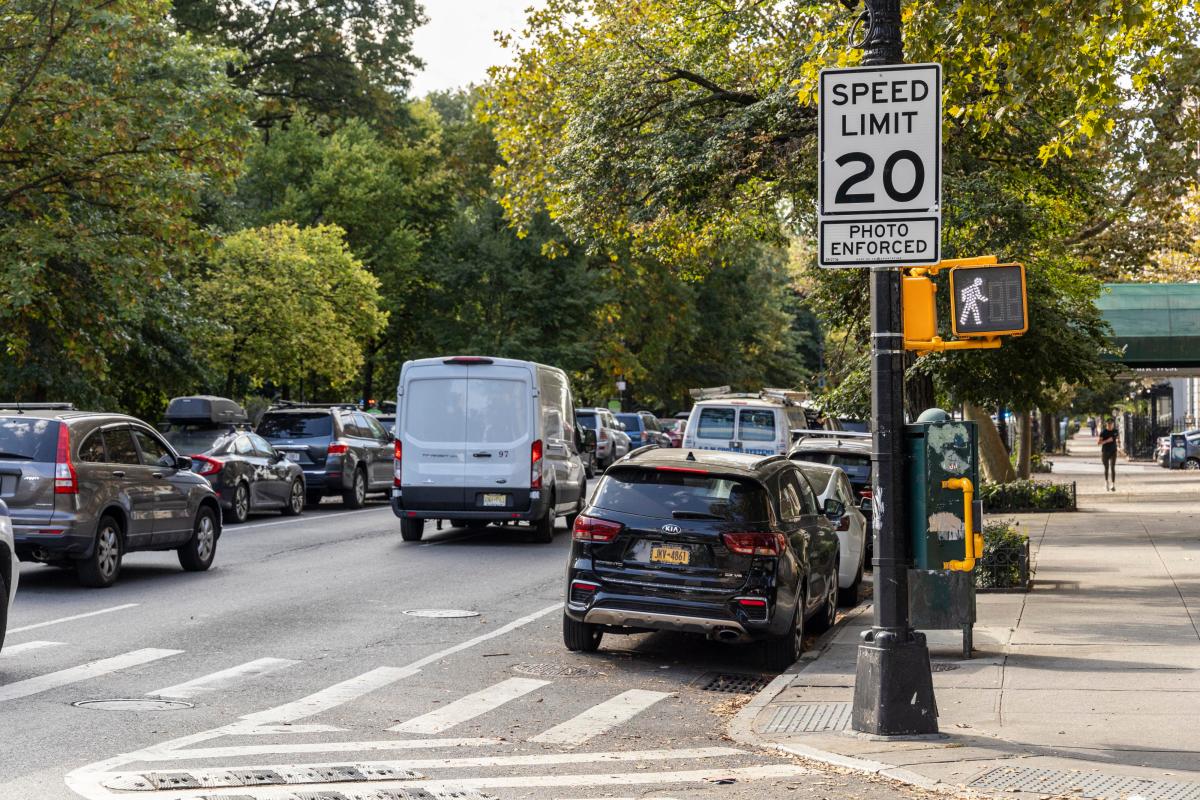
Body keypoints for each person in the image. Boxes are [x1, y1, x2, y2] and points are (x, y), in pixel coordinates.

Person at [1098, 418, 1119, 491]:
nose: (1110, 425)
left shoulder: (1115, 431)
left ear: (1113, 424)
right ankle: (1106, 483)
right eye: (1108, 424)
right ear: (1106, 424)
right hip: (1105, 452)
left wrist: (1119, 447)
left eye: (1111, 424)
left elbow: (1117, 440)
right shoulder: (1103, 432)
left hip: (1113, 451)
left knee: (1113, 467)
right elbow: (1099, 443)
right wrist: (1107, 440)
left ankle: (1113, 485)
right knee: (1106, 468)